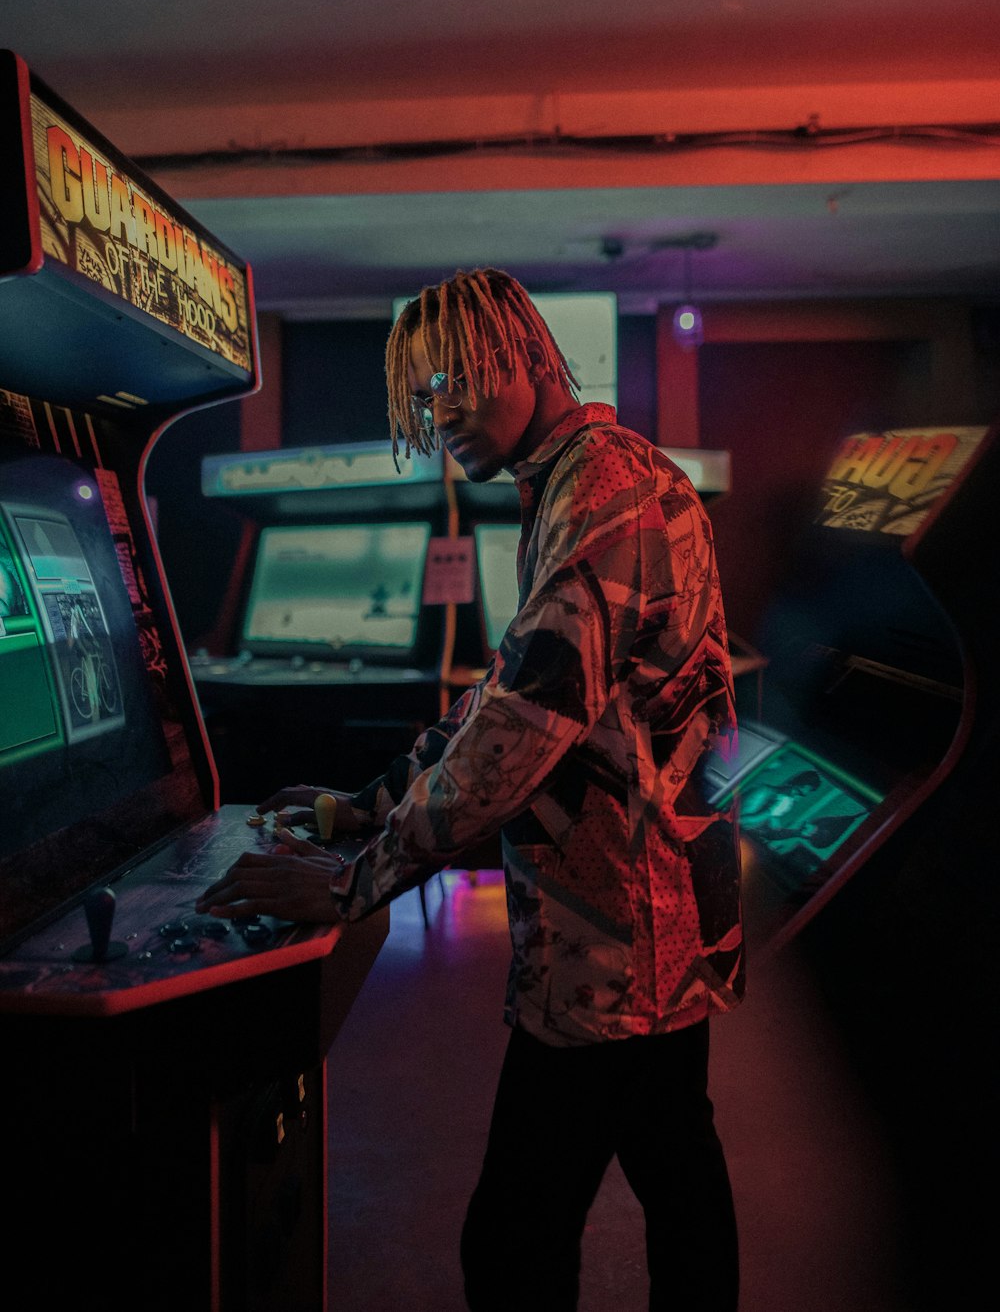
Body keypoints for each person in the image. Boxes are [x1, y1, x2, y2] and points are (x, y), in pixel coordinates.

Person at [198, 267, 744, 1311]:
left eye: (453, 376)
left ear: (529, 353)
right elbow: (508, 685)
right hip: (640, 919)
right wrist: (360, 803)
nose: (438, 408)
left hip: (621, 938)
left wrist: (360, 876)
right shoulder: (578, 481)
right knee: (675, 1163)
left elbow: (520, 726)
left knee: (513, 1236)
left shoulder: (605, 493)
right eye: (421, 391)